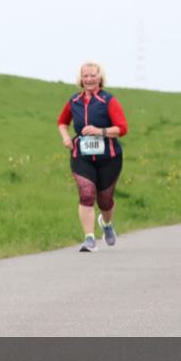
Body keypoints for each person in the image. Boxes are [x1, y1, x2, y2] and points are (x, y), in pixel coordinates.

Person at [57, 62, 129, 251]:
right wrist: (66, 138)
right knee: (86, 194)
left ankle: (106, 224)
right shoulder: (74, 101)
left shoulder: (108, 101)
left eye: (92, 75)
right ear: (80, 79)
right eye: (85, 76)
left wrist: (100, 131)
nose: (88, 79)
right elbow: (62, 122)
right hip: (82, 156)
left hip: (109, 157)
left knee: (105, 200)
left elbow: (122, 128)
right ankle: (90, 239)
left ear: (100, 78)